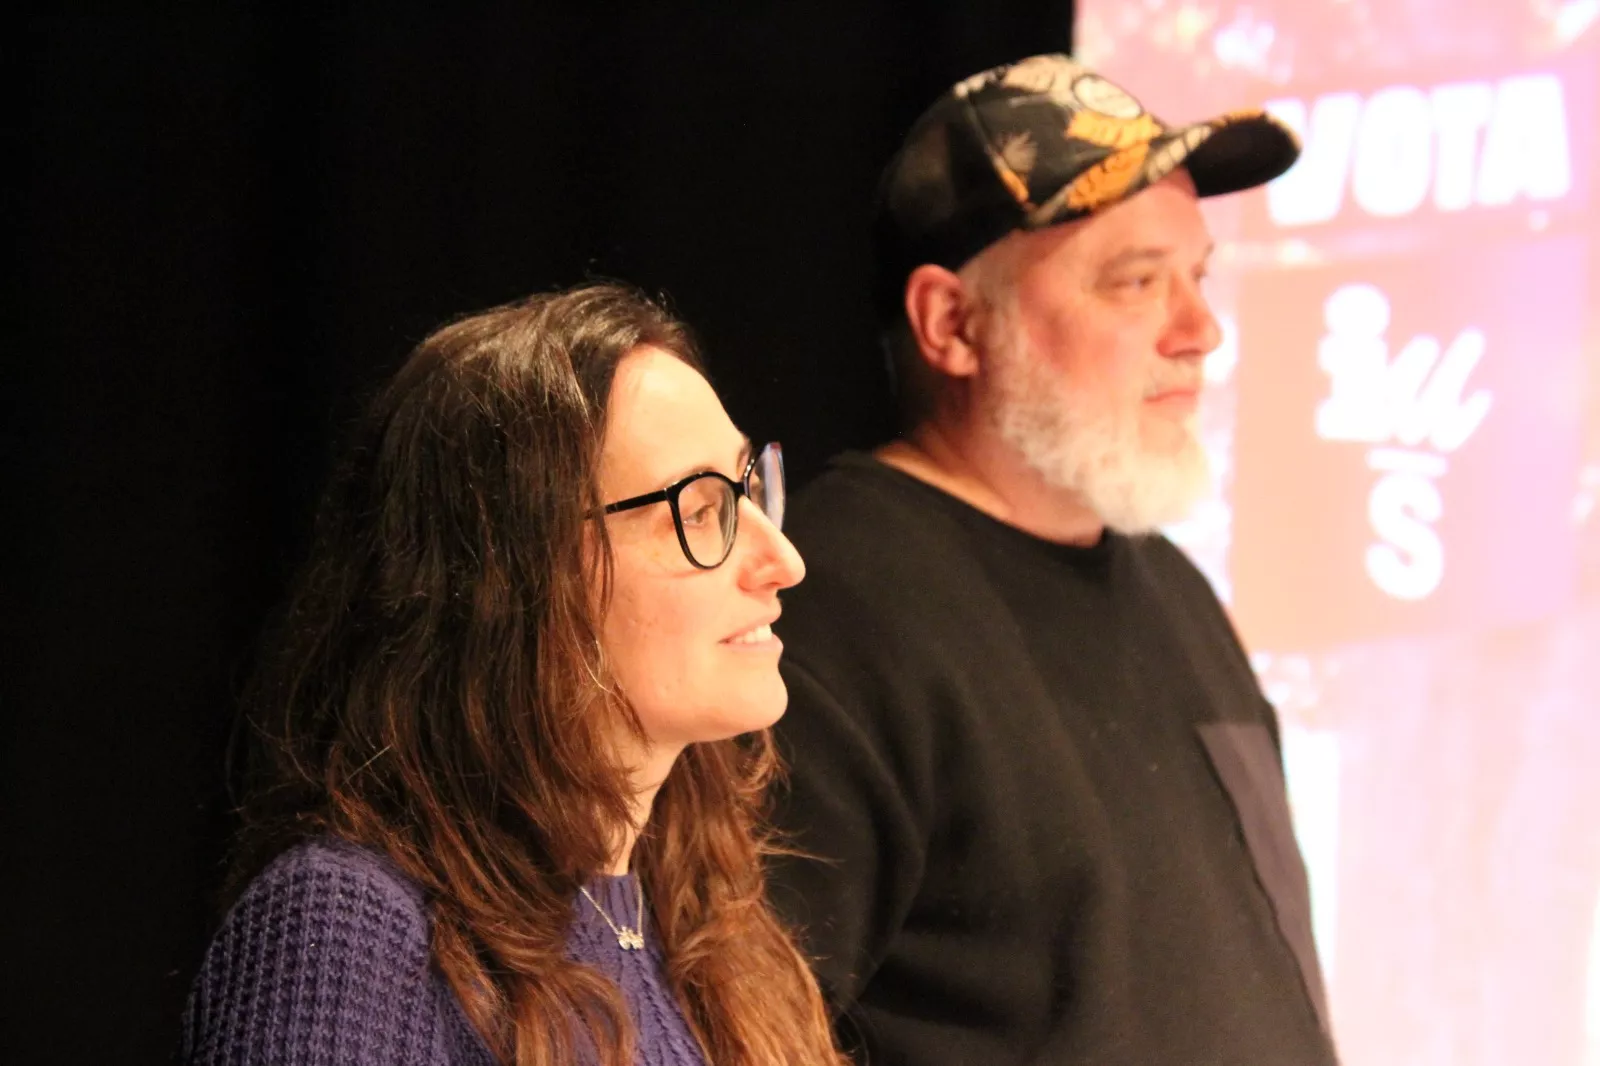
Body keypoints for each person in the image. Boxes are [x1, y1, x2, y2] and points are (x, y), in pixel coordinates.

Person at [768, 54, 1340, 1065]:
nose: (1200, 331)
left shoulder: (1171, 588)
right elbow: (732, 1023)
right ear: (952, 324)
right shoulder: (830, 616)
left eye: (1198, 277)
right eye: (1137, 282)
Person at [180, 283, 848, 1066]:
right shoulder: (344, 929)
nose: (783, 561)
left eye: (748, 488)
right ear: (518, 577)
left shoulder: (702, 922)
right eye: (701, 511)